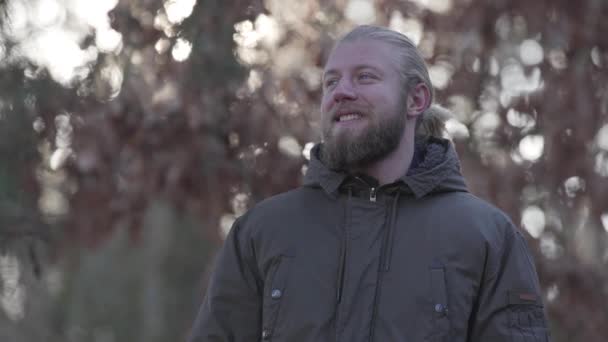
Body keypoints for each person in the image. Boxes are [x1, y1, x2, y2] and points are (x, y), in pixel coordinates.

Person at [187, 25, 550, 342]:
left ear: (416, 99)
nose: (340, 91)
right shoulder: (261, 232)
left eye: (364, 77)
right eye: (331, 81)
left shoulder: (488, 239)